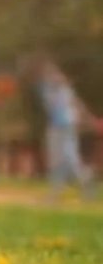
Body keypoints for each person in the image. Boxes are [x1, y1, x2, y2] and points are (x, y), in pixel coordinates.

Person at [36, 61, 96, 199]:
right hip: (58, 127)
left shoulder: (63, 90)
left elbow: (77, 105)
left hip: (64, 127)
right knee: (59, 160)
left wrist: (87, 118)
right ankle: (56, 192)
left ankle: (84, 181)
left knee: (68, 159)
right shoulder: (50, 89)